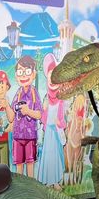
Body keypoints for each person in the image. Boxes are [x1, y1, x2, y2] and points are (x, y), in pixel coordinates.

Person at [36, 54, 66, 187]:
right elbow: (42, 119)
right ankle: (48, 181)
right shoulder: (46, 98)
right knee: (47, 156)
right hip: (48, 131)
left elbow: (63, 119)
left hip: (56, 131)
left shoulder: (61, 99)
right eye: (50, 75)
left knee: (56, 157)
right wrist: (44, 109)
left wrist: (60, 123)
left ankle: (56, 181)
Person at [9, 55, 42, 177]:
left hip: (30, 137)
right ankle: (21, 191)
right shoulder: (18, 93)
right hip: (17, 136)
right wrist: (6, 105)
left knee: (30, 164)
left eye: (27, 72)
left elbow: (39, 114)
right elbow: (11, 117)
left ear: (33, 74)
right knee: (19, 165)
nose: (23, 75)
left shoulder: (34, 93)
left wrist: (28, 111)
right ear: (16, 75)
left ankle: (31, 188)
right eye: (20, 72)